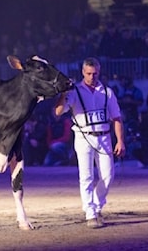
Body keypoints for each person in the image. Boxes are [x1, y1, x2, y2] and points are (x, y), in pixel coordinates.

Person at [54, 57, 125, 229]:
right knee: (86, 176)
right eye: (89, 73)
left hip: (104, 136)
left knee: (108, 176)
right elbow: (58, 112)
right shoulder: (74, 91)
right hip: (83, 136)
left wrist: (120, 140)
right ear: (82, 72)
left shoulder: (107, 92)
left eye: (95, 73)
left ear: (99, 72)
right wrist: (64, 92)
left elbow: (116, 117)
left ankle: (96, 205)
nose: (92, 77)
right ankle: (90, 213)